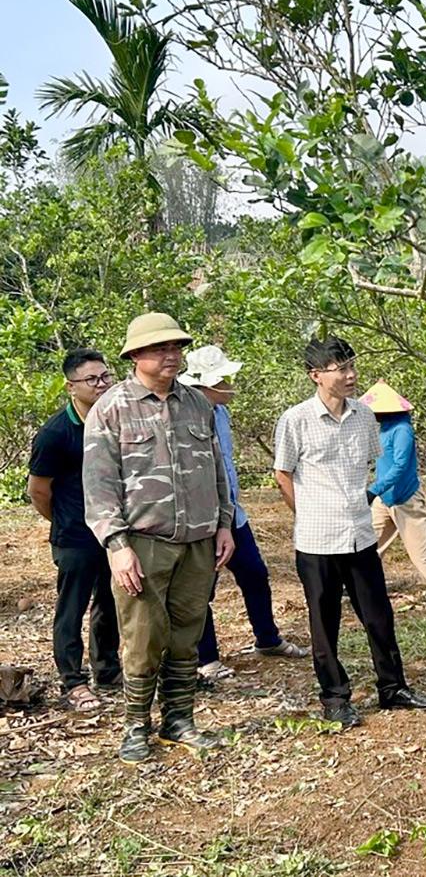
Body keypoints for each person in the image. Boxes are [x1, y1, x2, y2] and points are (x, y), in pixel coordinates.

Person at [83, 313, 236, 764]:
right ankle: (135, 726)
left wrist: (224, 523)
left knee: (188, 634)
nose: (171, 355)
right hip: (143, 543)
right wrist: (117, 546)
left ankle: (179, 719)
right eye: (159, 349)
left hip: (198, 540)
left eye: (176, 347)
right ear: (134, 356)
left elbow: (217, 470)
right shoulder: (112, 408)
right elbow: (99, 484)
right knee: (143, 637)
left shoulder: (197, 404)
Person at [274, 336, 426, 728]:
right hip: (317, 540)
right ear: (315, 375)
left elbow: (369, 466)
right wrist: (309, 512)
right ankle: (334, 697)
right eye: (340, 368)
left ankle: (393, 688)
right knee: (324, 621)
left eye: (352, 366)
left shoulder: (365, 417)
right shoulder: (295, 420)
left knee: (379, 616)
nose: (351, 375)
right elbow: (283, 474)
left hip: (360, 535)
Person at [177, 345, 308, 684]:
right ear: (207, 383)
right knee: (201, 588)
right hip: (201, 518)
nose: (232, 384)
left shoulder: (221, 413)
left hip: (233, 514)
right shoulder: (183, 414)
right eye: (225, 379)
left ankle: (268, 638)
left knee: (254, 573)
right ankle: (206, 659)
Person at [28, 349, 121, 712]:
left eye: (105, 377)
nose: (101, 385)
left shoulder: (113, 420)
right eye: (91, 380)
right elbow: (39, 490)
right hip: (74, 535)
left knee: (110, 602)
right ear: (71, 387)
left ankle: (108, 670)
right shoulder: (56, 433)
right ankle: (72, 681)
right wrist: (63, 520)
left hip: (111, 530)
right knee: (73, 607)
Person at [361, 380, 426, 596]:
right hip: (385, 497)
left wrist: (374, 489)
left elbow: (400, 466)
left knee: (419, 547)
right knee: (368, 541)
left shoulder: (402, 430)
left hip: (405, 497)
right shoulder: (384, 429)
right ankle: (359, 583)